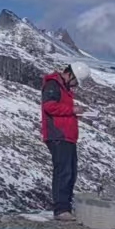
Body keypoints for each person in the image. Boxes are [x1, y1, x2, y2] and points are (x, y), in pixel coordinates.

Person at [39, 63, 80, 220]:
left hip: (67, 136)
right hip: (58, 135)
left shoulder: (63, 89)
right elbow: (49, 107)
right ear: (70, 75)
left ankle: (66, 207)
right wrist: (71, 110)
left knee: (71, 172)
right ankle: (61, 209)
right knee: (63, 172)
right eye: (76, 82)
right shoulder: (53, 85)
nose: (75, 86)